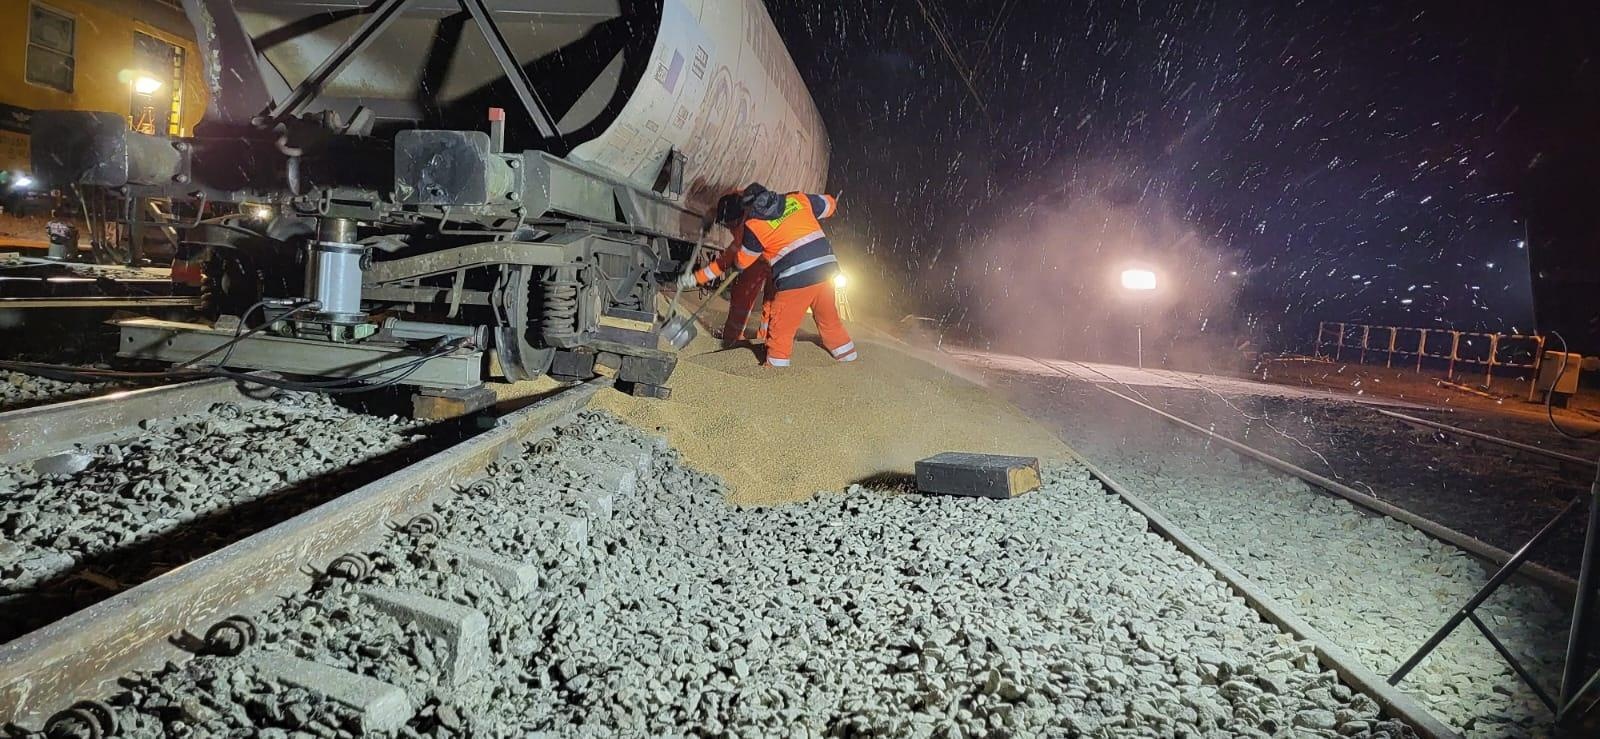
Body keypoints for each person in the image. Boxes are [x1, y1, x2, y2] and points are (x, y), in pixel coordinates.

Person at [724, 183, 857, 367]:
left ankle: (777, 373)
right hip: (827, 268)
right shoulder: (796, 199)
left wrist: (737, 263)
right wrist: (833, 202)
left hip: (797, 276)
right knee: (829, 320)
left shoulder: (754, 224)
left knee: (781, 329)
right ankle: (849, 359)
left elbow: (744, 260)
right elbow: (828, 205)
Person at [678, 194, 776, 348]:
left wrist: (740, 262)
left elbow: (731, 259)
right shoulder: (734, 202)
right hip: (758, 257)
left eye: (731, 225)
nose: (729, 229)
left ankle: (766, 342)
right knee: (742, 295)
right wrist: (695, 279)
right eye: (727, 225)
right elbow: (722, 263)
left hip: (779, 259)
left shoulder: (750, 226)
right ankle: (732, 339)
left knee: (774, 302)